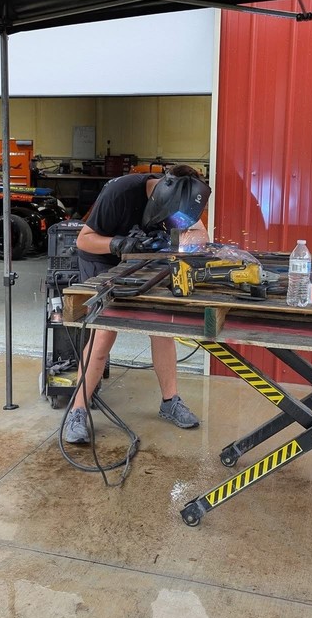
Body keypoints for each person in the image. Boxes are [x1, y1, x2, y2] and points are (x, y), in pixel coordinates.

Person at [63, 165, 211, 444]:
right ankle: (78, 410)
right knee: (105, 333)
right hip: (102, 259)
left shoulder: (178, 202)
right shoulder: (120, 192)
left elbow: (200, 236)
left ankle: (170, 402)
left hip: (143, 262)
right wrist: (119, 244)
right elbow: (85, 240)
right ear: (162, 192)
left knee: (161, 327)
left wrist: (167, 242)